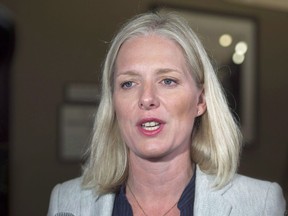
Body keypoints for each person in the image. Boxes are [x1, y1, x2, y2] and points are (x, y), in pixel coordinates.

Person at [48, 11, 287, 216]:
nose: (147, 98)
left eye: (168, 81)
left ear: (200, 101)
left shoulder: (260, 203)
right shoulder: (67, 202)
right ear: (113, 103)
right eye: (129, 84)